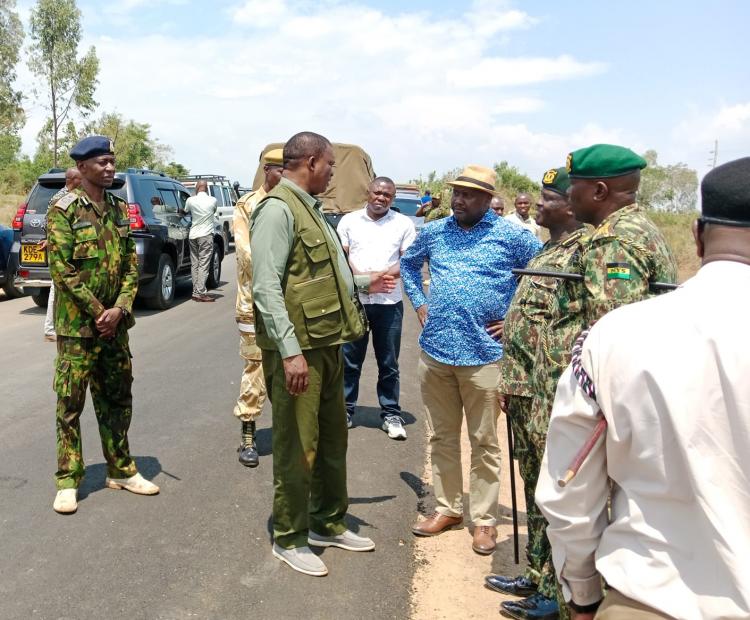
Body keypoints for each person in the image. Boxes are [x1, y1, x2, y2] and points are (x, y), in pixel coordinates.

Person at [535, 156, 750, 620]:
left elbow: (569, 497)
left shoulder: (617, 335)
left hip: (654, 598)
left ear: (697, 235)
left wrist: (582, 592)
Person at [500, 144, 678, 620]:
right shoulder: (626, 231)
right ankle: (552, 584)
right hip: (567, 392)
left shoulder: (613, 241)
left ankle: (572, 601)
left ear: (597, 190)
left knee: (579, 502)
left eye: (572, 187)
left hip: (606, 410)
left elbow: (613, 339)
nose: (566, 195)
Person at [250, 131, 395, 577]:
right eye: (329, 165)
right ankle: (290, 537)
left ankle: (327, 521)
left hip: (329, 345)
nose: (333, 173)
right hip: (300, 354)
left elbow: (327, 279)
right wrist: (290, 352)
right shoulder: (277, 211)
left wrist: (368, 281)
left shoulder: (314, 211)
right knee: (298, 448)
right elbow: (266, 288)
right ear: (311, 162)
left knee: (333, 442)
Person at [401, 164, 541, 555]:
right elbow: (410, 266)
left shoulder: (513, 236)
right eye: (455, 193)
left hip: (485, 357)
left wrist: (516, 317)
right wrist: (420, 303)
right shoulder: (435, 231)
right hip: (436, 354)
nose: (458, 200)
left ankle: (484, 521)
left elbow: (543, 277)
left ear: (487, 199)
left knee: (484, 442)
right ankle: (448, 509)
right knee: (441, 437)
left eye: (468, 195)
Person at [487, 168, 585, 604]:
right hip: (526, 391)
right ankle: (537, 572)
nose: (539, 204)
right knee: (532, 487)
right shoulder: (550, 249)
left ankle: (556, 591)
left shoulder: (583, 255)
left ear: (571, 204)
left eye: (548, 198)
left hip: (552, 395)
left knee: (555, 495)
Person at [47, 136, 159, 515]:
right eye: (103, 162)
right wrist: (100, 312)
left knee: (117, 399)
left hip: (116, 326)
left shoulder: (117, 208)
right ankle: (68, 479)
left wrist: (122, 307)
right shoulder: (62, 210)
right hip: (78, 329)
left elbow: (131, 262)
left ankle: (121, 469)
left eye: (112, 161)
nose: (110, 168)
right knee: (69, 403)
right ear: (82, 168)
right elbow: (62, 271)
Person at [338, 176, 417, 438]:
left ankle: (391, 414)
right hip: (355, 302)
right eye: (377, 192)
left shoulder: (403, 224)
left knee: (388, 362)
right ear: (368, 192)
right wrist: (363, 282)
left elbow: (407, 260)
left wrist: (379, 279)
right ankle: (345, 410)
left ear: (392, 199)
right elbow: (343, 256)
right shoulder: (349, 221)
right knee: (349, 360)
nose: (381, 198)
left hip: (388, 302)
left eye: (387, 195)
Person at [233, 148, 283, 468]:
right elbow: (246, 255)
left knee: (290, 365)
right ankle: (249, 434)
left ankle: (290, 433)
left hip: (287, 305)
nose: (287, 178)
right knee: (256, 368)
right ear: (267, 170)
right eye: (281, 171)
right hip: (253, 304)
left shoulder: (291, 205)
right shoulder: (247, 205)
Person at [43, 167, 83, 342]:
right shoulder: (61, 199)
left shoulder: (77, 197)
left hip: (71, 248)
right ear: (72, 180)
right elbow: (50, 223)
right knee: (56, 287)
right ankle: (50, 329)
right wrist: (51, 240)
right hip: (60, 249)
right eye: (80, 180)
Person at [182, 180, 217, 302]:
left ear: (197, 188)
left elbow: (185, 211)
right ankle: (200, 292)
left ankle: (195, 291)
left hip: (193, 235)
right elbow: (213, 212)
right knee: (204, 264)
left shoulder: (190, 200)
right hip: (206, 235)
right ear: (206, 188)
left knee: (195, 264)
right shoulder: (213, 200)